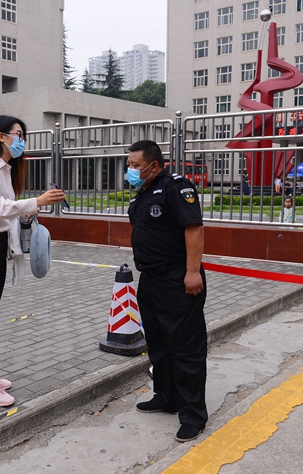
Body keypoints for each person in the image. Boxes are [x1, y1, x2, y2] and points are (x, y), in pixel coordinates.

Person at [0, 115, 65, 407]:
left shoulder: (6, 168)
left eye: (23, 135)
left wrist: (27, 211)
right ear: (1, 136)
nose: (21, 140)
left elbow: (5, 209)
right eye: (17, 134)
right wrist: (36, 202)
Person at [126, 140, 208, 443]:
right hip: (150, 280)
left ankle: (193, 415)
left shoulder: (176, 187)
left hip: (177, 279)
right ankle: (166, 397)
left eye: (135, 165)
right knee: (159, 344)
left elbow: (194, 229)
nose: (130, 170)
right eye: (129, 164)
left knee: (185, 348)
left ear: (154, 165)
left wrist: (192, 272)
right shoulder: (144, 191)